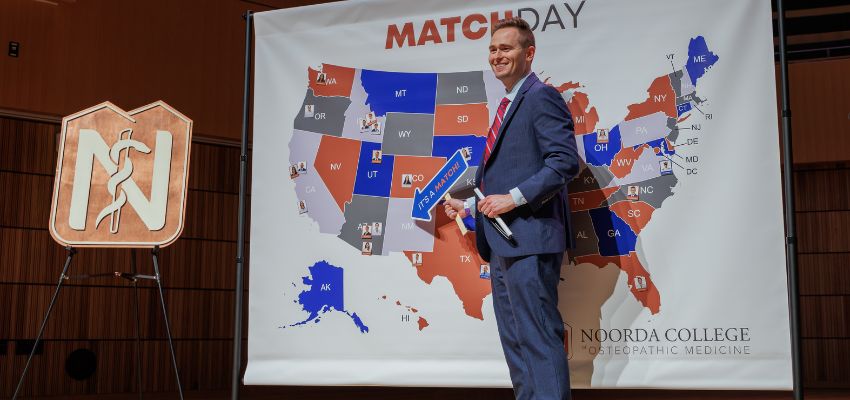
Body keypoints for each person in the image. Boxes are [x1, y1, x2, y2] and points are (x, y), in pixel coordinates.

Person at [443, 17, 578, 400]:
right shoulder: (509, 102)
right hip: (504, 243)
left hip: (530, 240)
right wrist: (470, 205)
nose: (497, 55)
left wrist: (514, 197)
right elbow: (511, 174)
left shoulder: (540, 97)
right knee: (517, 346)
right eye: (492, 49)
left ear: (528, 53)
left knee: (537, 341)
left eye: (506, 48)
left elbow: (564, 162)